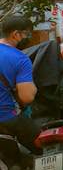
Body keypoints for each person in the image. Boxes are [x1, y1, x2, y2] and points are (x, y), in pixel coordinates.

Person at [0, 14, 38, 151]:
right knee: (41, 144)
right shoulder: (20, 59)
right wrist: (33, 89)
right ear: (15, 34)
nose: (28, 38)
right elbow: (26, 97)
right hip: (5, 118)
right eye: (26, 34)